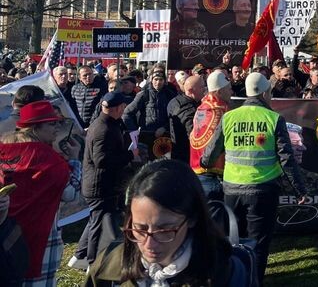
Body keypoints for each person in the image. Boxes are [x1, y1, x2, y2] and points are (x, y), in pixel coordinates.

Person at [201, 72, 307, 282]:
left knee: (233, 241)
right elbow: (286, 158)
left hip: (232, 190)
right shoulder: (274, 119)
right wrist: (299, 189)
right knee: (258, 243)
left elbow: (210, 153)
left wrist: (205, 163)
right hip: (262, 190)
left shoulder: (229, 117)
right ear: (265, 92)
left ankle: (234, 280)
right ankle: (252, 280)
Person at [84, 159, 252, 286]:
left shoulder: (224, 273)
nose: (149, 244)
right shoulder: (107, 267)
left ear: (193, 218)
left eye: (164, 230)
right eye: (139, 229)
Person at [0, 101, 81, 285]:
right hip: (40, 235)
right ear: (35, 128)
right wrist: (75, 161)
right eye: (51, 123)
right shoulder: (49, 159)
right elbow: (70, 195)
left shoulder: (3, 149)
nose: (56, 128)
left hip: (5, 233)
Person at [74, 92, 139, 267]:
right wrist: (129, 155)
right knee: (98, 224)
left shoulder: (106, 124)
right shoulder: (103, 129)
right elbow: (101, 160)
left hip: (100, 184)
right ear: (117, 108)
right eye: (122, 107)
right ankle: (92, 261)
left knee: (95, 219)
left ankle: (80, 253)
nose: (124, 110)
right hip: (100, 185)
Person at [189, 71, 231, 203]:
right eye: (228, 89)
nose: (231, 92)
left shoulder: (202, 107)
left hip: (197, 171)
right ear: (219, 91)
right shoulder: (220, 110)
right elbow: (218, 142)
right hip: (212, 174)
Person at [167, 75, 207, 163]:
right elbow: (194, 134)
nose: (204, 89)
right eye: (201, 87)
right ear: (190, 91)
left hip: (178, 155)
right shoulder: (187, 109)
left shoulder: (174, 101)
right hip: (186, 157)